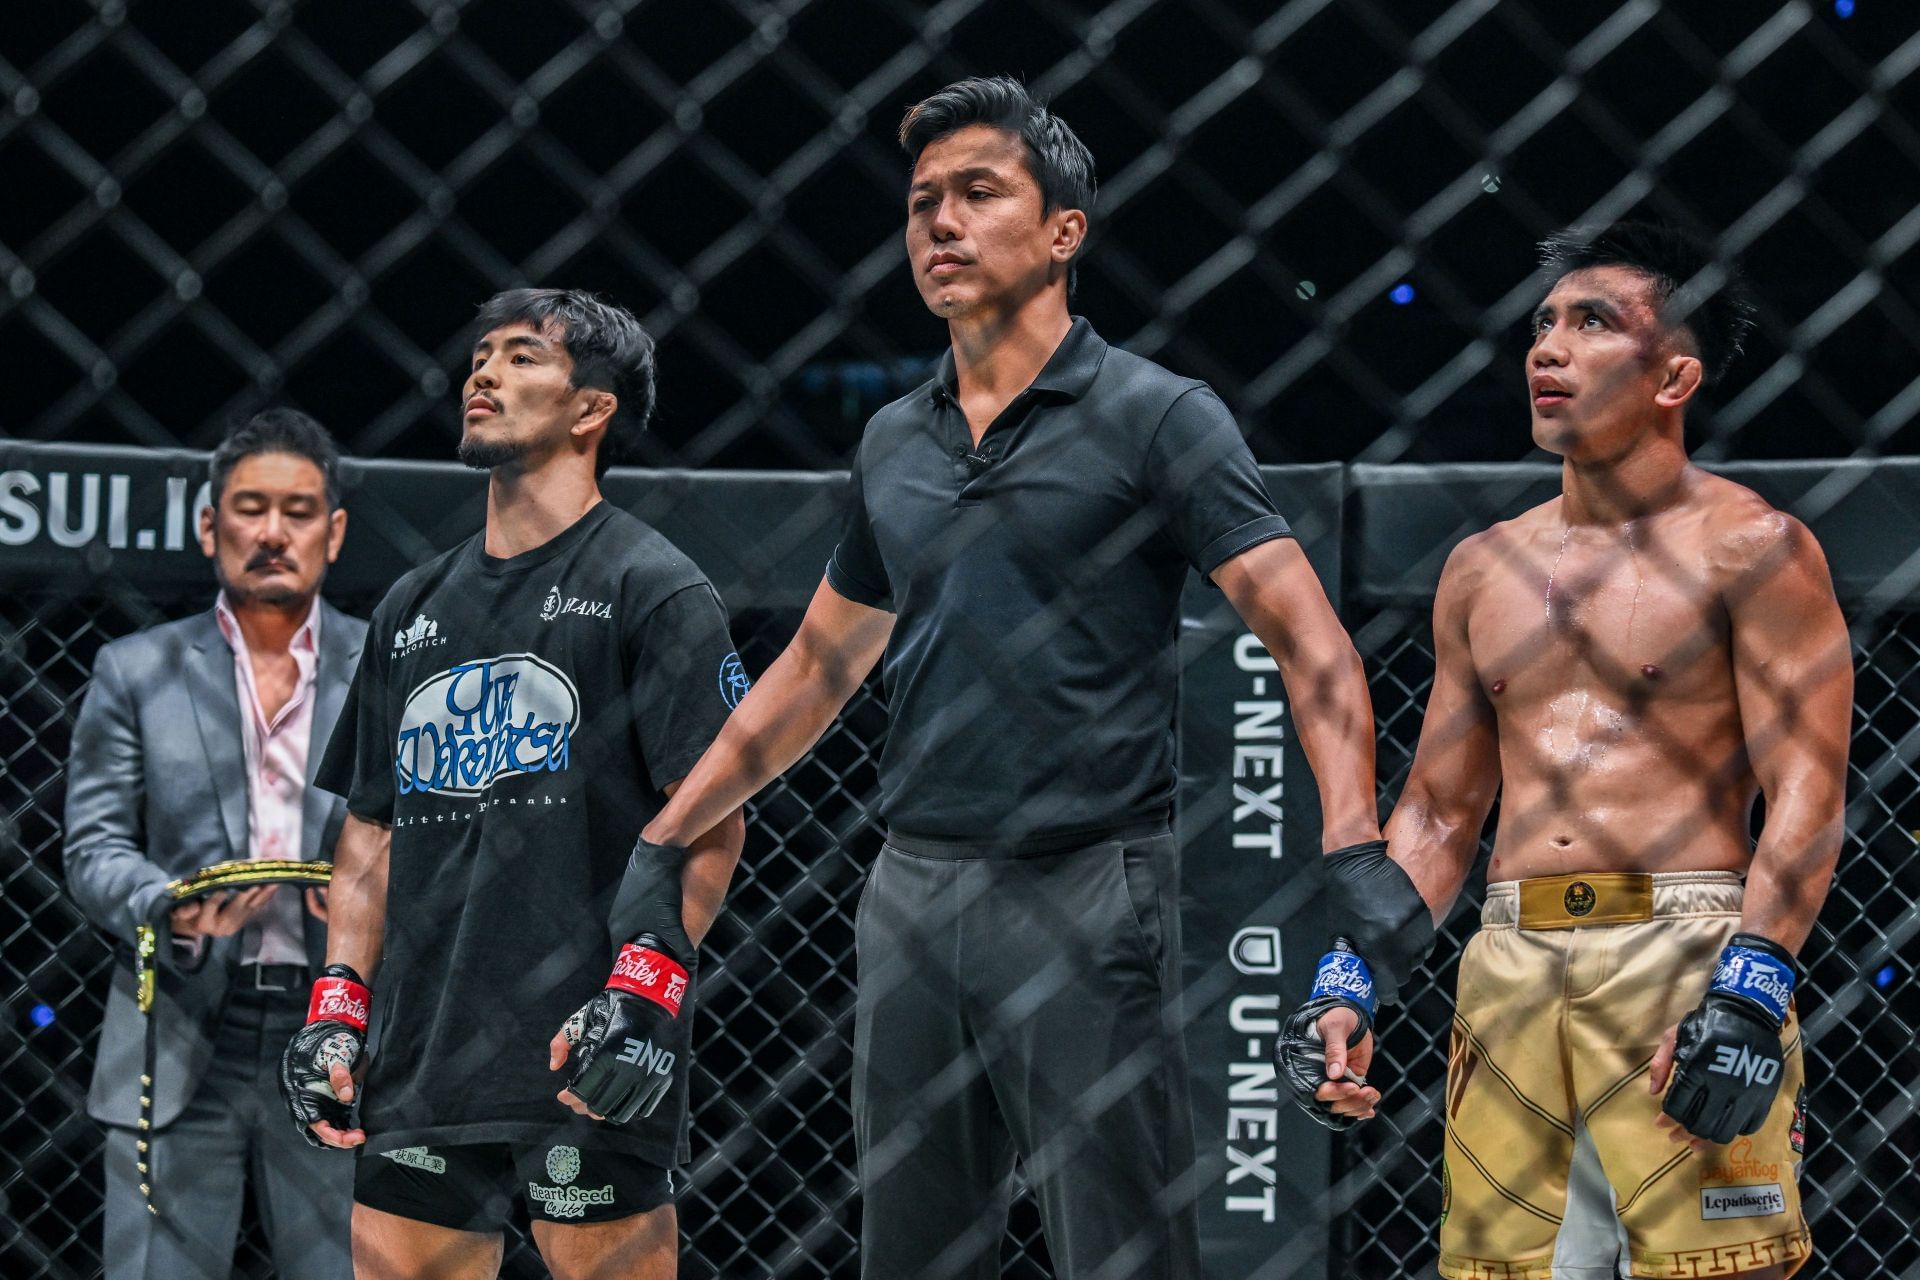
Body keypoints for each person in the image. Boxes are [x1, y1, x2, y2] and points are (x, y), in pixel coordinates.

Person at [617, 77, 1381, 1279]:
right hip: (912, 887)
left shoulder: (1157, 415)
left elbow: (1312, 642)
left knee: (1121, 1250)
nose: (941, 223)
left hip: (1089, 882)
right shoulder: (893, 439)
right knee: (912, 1255)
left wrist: (1353, 857)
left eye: (979, 193)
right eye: (923, 202)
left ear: (1065, 230)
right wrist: (667, 837)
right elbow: (817, 666)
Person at [1277, 223, 1852, 1280]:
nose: (1549, 347)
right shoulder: (1482, 569)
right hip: (1510, 958)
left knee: (1725, 1270)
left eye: (1594, 323)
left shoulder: (1754, 546)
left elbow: (1808, 789)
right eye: (1544, 323)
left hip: (1681, 944)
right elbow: (1444, 810)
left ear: (1675, 371)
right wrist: (1351, 972)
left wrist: (1753, 981)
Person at [280, 288, 745, 1280]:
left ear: (592, 408)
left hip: (584, 1042)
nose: (482, 373)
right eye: (481, 354)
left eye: (523, 357)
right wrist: (337, 999)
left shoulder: (652, 585)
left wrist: (647, 993)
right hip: (421, 1049)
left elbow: (709, 817)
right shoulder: (412, 603)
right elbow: (370, 823)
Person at [65, 409, 364, 1279]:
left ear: (335, 532)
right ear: (210, 526)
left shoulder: (387, 668)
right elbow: (92, 848)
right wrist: (169, 904)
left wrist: (371, 891)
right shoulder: (135, 669)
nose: (273, 532)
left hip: (342, 1026)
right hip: (180, 1021)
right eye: (250, 507)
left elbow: (435, 836)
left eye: (299, 510)